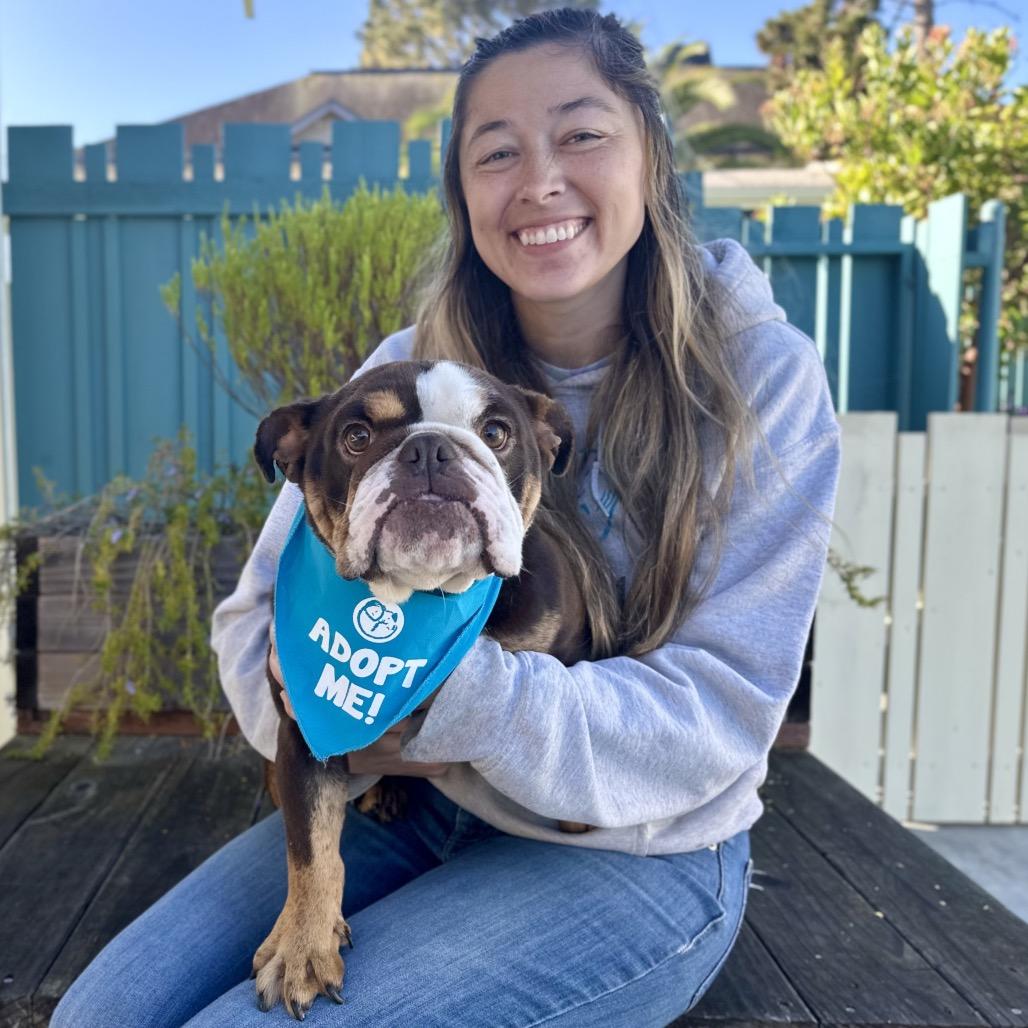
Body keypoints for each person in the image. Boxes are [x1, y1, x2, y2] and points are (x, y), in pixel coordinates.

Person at [51, 8, 841, 1026]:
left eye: (581, 134)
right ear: (462, 192)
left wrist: (436, 700)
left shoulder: (756, 378)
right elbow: (259, 629)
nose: (538, 178)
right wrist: (333, 707)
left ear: (649, 155)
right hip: (405, 806)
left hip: (636, 850)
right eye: (495, 151)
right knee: (97, 1014)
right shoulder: (401, 364)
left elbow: (723, 713)